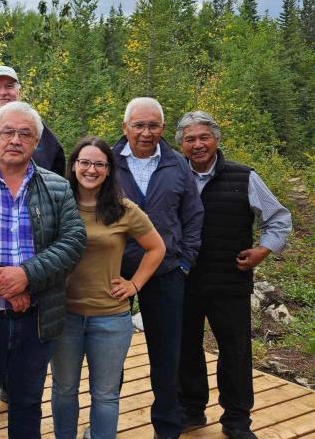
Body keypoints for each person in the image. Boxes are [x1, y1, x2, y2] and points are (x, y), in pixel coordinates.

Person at [0, 101, 86, 439]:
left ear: (36, 142)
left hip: (36, 318)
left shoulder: (57, 187)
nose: (15, 140)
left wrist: (26, 278)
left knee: (27, 403)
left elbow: (73, 240)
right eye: (7, 132)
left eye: (25, 134)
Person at [176, 111, 291, 439]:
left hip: (229, 281)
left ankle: (237, 420)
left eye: (204, 137)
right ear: (181, 145)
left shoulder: (244, 177)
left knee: (235, 351)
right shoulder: (172, 178)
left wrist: (263, 250)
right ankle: (191, 411)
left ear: (216, 140)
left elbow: (279, 218)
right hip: (183, 279)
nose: (197, 145)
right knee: (186, 348)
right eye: (190, 139)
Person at [50, 137, 165, 439]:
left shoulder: (124, 210)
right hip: (64, 315)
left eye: (99, 164)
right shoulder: (57, 204)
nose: (91, 169)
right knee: (63, 389)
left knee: (105, 395)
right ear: (73, 166)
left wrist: (134, 284)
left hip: (110, 318)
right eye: (84, 162)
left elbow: (156, 248)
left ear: (108, 170)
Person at [112, 97, 203, 439]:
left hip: (166, 273)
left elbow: (193, 215)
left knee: (167, 355)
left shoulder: (178, 165)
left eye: (153, 125)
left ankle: (167, 427)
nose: (146, 132)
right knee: (110, 352)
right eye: (139, 125)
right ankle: (105, 424)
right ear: (126, 128)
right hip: (116, 275)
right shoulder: (108, 161)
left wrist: (184, 262)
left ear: (163, 129)